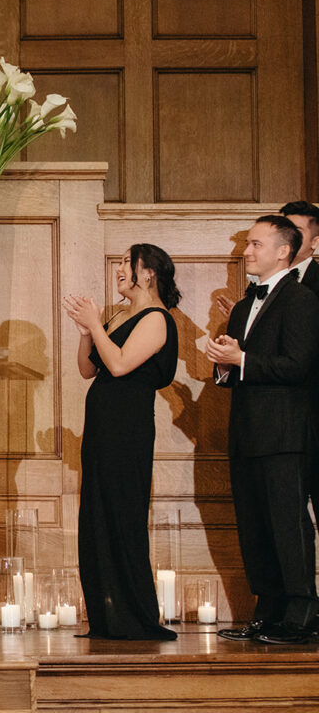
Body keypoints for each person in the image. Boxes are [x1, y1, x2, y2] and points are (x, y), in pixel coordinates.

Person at [207, 215, 319, 645]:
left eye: (255, 244)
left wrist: (242, 361)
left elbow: (299, 367)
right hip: (247, 432)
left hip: (286, 434)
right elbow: (237, 372)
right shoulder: (241, 306)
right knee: (255, 525)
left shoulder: (302, 299)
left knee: (288, 525)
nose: (246, 251)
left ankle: (301, 615)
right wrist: (224, 365)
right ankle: (268, 613)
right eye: (247, 244)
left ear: (283, 251)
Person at [62, 243, 180, 640]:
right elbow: (88, 369)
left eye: (127, 264)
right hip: (101, 429)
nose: (119, 271)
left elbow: (120, 364)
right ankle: (107, 618)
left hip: (126, 431)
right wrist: (85, 333)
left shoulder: (156, 319)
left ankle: (135, 618)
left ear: (147, 274)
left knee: (122, 516)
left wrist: (96, 325)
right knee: (97, 516)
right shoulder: (120, 316)